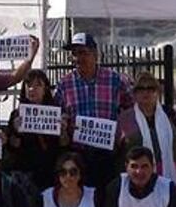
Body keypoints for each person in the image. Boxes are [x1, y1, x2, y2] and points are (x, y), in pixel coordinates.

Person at [54, 33, 133, 190]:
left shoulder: (115, 80)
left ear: (96, 54)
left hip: (108, 154)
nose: (78, 58)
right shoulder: (65, 83)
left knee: (107, 200)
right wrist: (62, 124)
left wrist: (123, 134)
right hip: (78, 154)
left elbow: (130, 110)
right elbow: (57, 113)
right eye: (74, 54)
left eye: (83, 52)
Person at [116, 72, 176, 190]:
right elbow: (117, 149)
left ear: (157, 92)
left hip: (169, 174)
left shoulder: (170, 114)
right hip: (137, 177)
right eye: (141, 88)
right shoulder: (125, 118)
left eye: (151, 88)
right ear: (134, 93)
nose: (146, 92)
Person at [4, 69, 67, 190]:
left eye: (38, 84)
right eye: (29, 85)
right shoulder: (17, 114)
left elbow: (64, 146)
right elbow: (13, 147)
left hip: (51, 171)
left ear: (45, 89)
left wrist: (63, 131)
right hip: (26, 173)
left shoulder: (56, 113)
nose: (32, 88)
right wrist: (17, 132)